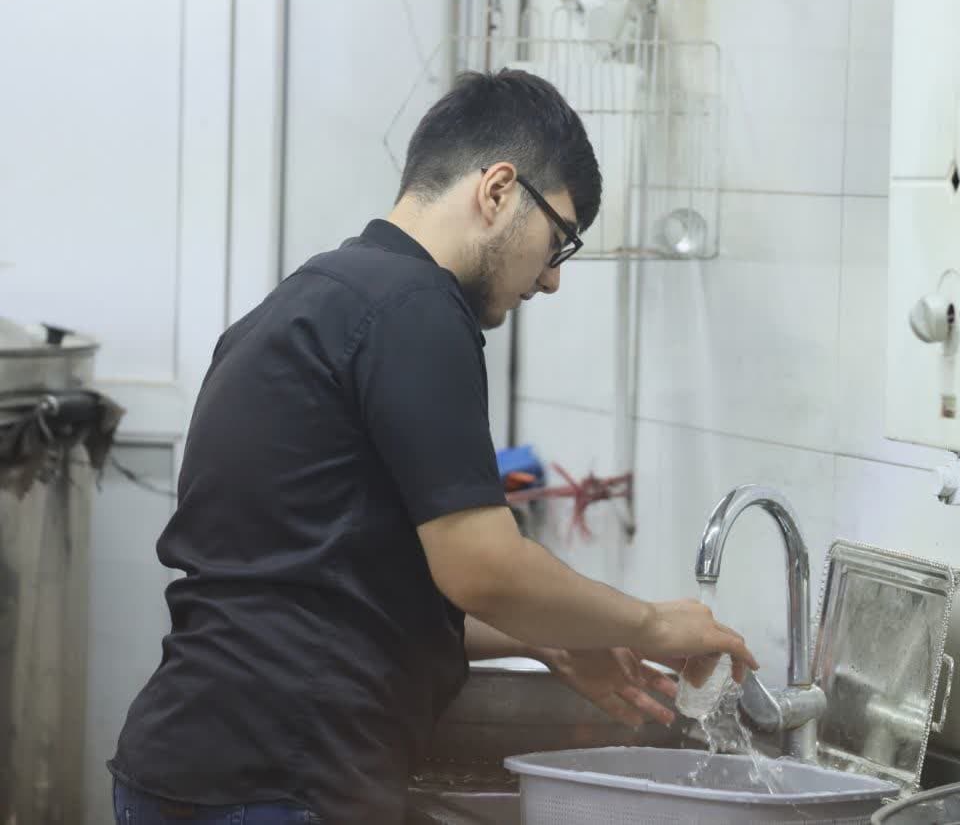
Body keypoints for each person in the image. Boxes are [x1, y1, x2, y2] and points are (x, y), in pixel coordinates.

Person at [107, 69, 756, 824]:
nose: (550, 280)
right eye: (558, 241)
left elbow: (330, 584)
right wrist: (651, 624)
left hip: (188, 760)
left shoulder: (307, 301)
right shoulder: (417, 308)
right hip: (282, 777)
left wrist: (552, 639)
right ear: (498, 190)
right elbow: (483, 567)